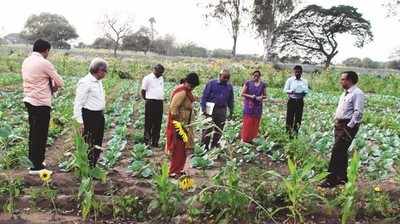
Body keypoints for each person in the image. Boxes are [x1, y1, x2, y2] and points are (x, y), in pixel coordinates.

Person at [22, 39, 64, 174]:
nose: (48, 54)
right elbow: (60, 82)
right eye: (48, 52)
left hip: (29, 100)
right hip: (41, 103)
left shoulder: (26, 61)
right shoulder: (44, 63)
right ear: (45, 50)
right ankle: (37, 167)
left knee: (34, 133)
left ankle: (34, 161)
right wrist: (54, 87)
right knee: (40, 135)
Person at [320, 71, 365, 188]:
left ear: (350, 80)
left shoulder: (357, 93)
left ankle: (331, 180)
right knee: (341, 152)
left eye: (343, 79)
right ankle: (342, 178)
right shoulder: (345, 93)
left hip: (347, 126)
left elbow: (358, 113)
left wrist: (349, 127)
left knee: (336, 151)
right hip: (340, 125)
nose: (341, 81)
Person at [73, 58, 107, 167]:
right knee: (89, 142)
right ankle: (87, 166)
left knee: (98, 141)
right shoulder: (85, 82)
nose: (106, 73)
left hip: (99, 115)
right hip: (89, 116)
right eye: (105, 71)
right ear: (98, 70)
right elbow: (78, 103)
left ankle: (93, 164)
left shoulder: (98, 81)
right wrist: (80, 121)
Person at [165, 72, 200, 178]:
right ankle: (174, 171)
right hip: (179, 125)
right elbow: (173, 108)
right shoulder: (182, 92)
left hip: (184, 124)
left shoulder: (186, 91)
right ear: (187, 82)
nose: (192, 88)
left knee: (182, 148)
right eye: (192, 85)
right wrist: (179, 124)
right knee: (178, 149)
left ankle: (179, 169)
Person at [200, 69, 234, 150]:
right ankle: (204, 146)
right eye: (224, 77)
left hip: (222, 109)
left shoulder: (229, 87)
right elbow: (204, 97)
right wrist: (204, 109)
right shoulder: (211, 83)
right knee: (207, 128)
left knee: (219, 128)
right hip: (210, 108)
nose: (226, 79)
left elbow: (231, 100)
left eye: (227, 78)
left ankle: (214, 145)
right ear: (219, 76)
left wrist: (231, 112)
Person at [141, 64, 165, 147]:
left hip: (159, 103)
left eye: (161, 73)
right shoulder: (147, 78)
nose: (160, 74)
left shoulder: (161, 78)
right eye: (159, 72)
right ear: (154, 70)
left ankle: (155, 142)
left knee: (158, 123)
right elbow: (143, 91)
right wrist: (147, 99)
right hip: (150, 102)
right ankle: (147, 142)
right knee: (148, 123)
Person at [240, 70, 267, 143]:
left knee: (255, 122)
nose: (256, 77)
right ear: (252, 75)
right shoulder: (248, 83)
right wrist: (251, 96)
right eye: (254, 75)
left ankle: (252, 138)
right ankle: (245, 139)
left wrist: (261, 97)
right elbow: (242, 94)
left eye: (257, 76)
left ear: (259, 76)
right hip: (249, 105)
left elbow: (265, 96)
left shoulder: (263, 84)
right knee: (248, 122)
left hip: (258, 106)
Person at [283, 65, 308, 136]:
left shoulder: (304, 81)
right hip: (292, 100)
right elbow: (285, 90)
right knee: (289, 117)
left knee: (298, 117)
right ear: (294, 72)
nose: (297, 73)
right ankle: (288, 133)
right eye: (296, 72)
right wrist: (291, 91)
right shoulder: (290, 80)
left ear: (301, 72)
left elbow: (306, 91)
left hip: (300, 101)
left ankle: (296, 132)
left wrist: (303, 92)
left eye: (299, 72)